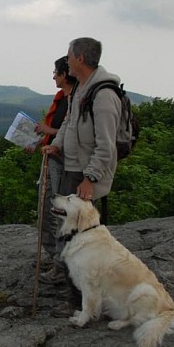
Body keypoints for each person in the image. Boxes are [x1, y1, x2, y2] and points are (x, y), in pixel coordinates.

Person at [41, 37, 123, 285]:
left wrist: (90, 178)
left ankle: (86, 292)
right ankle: (72, 286)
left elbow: (107, 145)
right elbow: (69, 123)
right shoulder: (80, 89)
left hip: (85, 175)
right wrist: (56, 145)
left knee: (83, 235)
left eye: (68, 56)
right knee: (70, 231)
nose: (66, 60)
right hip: (72, 168)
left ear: (79, 59)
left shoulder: (103, 95)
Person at [27, 56, 76, 282]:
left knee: (57, 214)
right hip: (51, 158)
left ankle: (60, 265)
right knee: (45, 211)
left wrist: (49, 130)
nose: (53, 77)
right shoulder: (63, 98)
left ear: (65, 75)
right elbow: (56, 129)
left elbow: (72, 133)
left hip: (64, 163)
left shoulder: (75, 100)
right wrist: (39, 141)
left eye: (56, 73)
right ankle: (54, 256)